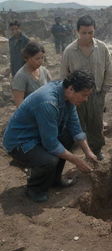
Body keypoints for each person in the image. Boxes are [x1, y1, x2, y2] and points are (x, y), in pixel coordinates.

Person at [3, 71, 97, 203]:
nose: (86, 99)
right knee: (49, 160)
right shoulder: (48, 102)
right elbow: (51, 144)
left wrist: (88, 152)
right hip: (21, 142)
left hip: (39, 135)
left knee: (68, 136)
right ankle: (34, 189)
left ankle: (54, 180)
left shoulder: (67, 96)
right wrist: (77, 161)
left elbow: (75, 127)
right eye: (84, 95)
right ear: (71, 89)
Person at [60, 15, 112, 161]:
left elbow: (109, 70)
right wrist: (69, 97)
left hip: (96, 94)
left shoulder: (102, 48)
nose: (87, 36)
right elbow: (64, 76)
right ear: (77, 32)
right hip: (77, 97)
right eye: (84, 32)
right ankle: (86, 152)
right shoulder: (69, 51)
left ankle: (97, 150)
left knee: (96, 123)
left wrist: (103, 92)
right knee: (79, 124)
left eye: (90, 32)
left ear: (94, 31)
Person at [12, 41, 52, 107]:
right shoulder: (21, 76)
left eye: (42, 58)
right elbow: (19, 104)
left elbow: (51, 91)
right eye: (37, 59)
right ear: (27, 58)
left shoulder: (44, 71)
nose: (41, 61)